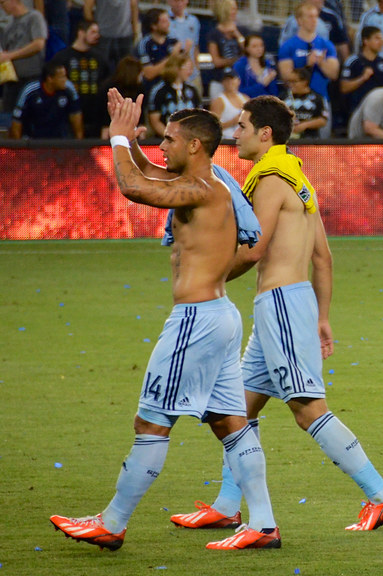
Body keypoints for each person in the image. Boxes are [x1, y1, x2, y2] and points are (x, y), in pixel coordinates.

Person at [50, 93, 281, 551]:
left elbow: (137, 189)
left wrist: (117, 137)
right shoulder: (208, 180)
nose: (162, 147)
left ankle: (112, 523)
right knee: (231, 423)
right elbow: (152, 174)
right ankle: (264, 524)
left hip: (195, 322)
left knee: (151, 422)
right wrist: (130, 140)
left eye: (170, 139)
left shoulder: (201, 190)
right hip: (220, 318)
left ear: (195, 145)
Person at [169, 94, 383, 533]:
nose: (233, 134)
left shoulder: (271, 179)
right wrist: (321, 316)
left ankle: (381, 494)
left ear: (265, 133)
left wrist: (207, 278)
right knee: (236, 408)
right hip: (289, 306)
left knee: (307, 408)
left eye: (240, 126)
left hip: (279, 305)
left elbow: (254, 248)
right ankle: (226, 505)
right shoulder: (298, 177)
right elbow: (323, 258)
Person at [278, 1, 340, 136]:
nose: (314, 20)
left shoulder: (326, 45)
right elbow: (285, 75)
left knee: (320, 145)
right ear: (299, 20)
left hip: (319, 100)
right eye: (309, 17)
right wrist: (305, 64)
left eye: (315, 16)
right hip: (294, 102)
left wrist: (322, 64)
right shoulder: (289, 46)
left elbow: (334, 74)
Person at [51, 19, 109, 138]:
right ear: (81, 32)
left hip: (94, 116)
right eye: (93, 32)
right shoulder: (62, 57)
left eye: (98, 32)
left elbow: (106, 86)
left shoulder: (100, 58)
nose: (97, 36)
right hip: (68, 116)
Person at [10, 60, 83, 139]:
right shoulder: (30, 91)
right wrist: (20, 148)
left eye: (65, 76)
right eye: (62, 77)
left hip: (60, 141)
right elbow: (16, 121)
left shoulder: (69, 89)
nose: (65, 80)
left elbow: (76, 116)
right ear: (50, 78)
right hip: (32, 141)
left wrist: (79, 144)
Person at [341, 26, 383, 118]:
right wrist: (362, 78)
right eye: (377, 38)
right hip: (358, 110)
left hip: (382, 112)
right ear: (366, 41)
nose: (381, 42)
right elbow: (344, 87)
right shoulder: (353, 61)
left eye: (381, 38)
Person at [0, 0, 47, 113]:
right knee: (10, 115)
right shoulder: (8, 25)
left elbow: (38, 44)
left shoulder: (34, 17)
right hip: (12, 79)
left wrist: (11, 55)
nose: (1, 7)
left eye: (2, 2)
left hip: (32, 77)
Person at [148, 53, 202, 137]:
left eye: (191, 68)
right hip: (165, 139)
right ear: (176, 68)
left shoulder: (192, 90)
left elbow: (199, 116)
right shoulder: (159, 91)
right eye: (187, 68)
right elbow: (155, 121)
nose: (190, 72)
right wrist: (170, 137)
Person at [136, 7, 187, 95]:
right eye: (164, 22)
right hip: (151, 91)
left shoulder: (173, 42)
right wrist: (172, 56)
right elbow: (149, 74)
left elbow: (182, 69)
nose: (168, 24)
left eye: (168, 20)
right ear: (154, 26)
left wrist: (186, 51)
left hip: (172, 92)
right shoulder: (145, 44)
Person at [206, 0, 245, 100]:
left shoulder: (241, 31)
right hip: (220, 79)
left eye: (235, 9)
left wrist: (238, 35)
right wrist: (234, 60)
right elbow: (216, 61)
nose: (235, 12)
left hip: (238, 79)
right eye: (232, 9)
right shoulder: (214, 34)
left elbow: (248, 50)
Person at [84, 0, 138, 71]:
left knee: (126, 71)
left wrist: (135, 30)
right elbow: (87, 8)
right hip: (103, 35)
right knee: (101, 69)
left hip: (124, 35)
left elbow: (133, 5)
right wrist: (94, 28)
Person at [99, 56, 144, 138]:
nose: (142, 76)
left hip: (133, 130)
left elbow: (141, 121)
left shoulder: (140, 89)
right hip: (109, 129)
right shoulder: (107, 88)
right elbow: (104, 123)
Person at [167, 0, 202, 97]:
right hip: (175, 75)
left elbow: (195, 47)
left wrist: (197, 69)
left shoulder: (194, 21)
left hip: (193, 74)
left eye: (182, 0)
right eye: (176, 1)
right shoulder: (165, 21)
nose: (179, 3)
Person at [282, 67, 327, 138]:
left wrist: (304, 125)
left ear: (305, 82)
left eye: (294, 82)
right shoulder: (283, 97)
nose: (290, 85)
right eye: (289, 82)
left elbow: (323, 120)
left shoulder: (317, 98)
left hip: (309, 139)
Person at [234, 34, 278, 99]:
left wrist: (271, 78)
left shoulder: (267, 64)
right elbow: (238, 91)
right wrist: (262, 84)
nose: (259, 49)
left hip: (266, 103)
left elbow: (273, 92)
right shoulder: (240, 66)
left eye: (261, 45)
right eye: (254, 46)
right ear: (246, 48)